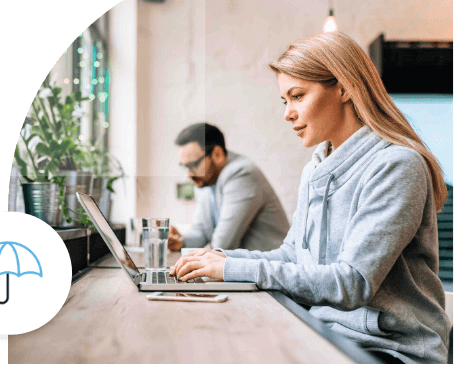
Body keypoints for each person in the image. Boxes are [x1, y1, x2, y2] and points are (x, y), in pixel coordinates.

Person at [170, 32, 451, 364]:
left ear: (344, 87)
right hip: (327, 330)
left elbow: (353, 282)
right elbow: (292, 255)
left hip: (387, 349)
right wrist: (216, 258)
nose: (288, 113)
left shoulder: (397, 166)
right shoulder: (316, 167)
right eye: (284, 101)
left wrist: (233, 268)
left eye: (298, 96)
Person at [168, 122, 290, 252]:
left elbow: (223, 244)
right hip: (245, 267)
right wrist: (181, 241)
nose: (189, 174)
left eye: (193, 165)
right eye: (185, 166)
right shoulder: (207, 179)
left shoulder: (242, 174)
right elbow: (202, 231)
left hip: (271, 268)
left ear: (217, 154)